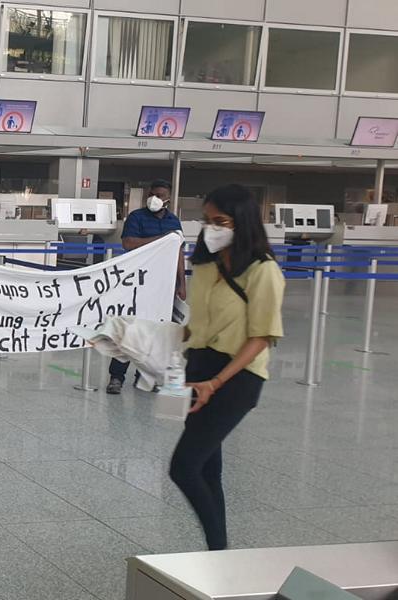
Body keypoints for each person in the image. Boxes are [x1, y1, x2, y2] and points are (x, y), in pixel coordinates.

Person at [170, 184, 284, 551]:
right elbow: (195, 326)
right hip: (199, 367)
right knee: (207, 468)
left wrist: (216, 383)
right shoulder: (205, 265)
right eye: (206, 221)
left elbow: (261, 337)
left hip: (236, 376)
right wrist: (137, 337)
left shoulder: (264, 271)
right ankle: (219, 553)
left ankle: (219, 548)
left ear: (242, 221)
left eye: (220, 221)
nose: (211, 229)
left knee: (184, 466)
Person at [108, 179, 186, 395]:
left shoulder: (173, 222)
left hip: (163, 286)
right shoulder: (137, 217)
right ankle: (116, 376)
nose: (155, 199)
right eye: (152, 194)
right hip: (137, 283)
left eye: (160, 195)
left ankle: (145, 376)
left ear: (168, 199)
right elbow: (128, 243)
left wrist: (182, 283)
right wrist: (162, 239)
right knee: (130, 329)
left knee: (157, 333)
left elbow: (178, 253)